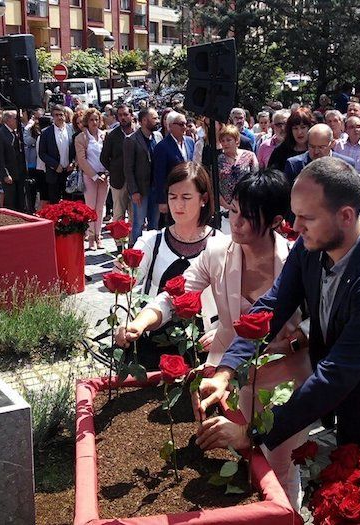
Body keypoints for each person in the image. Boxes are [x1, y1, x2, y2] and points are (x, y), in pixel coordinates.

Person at [193, 157, 360, 499]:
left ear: (345, 216)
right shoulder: (313, 244)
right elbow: (273, 307)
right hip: (343, 395)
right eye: (295, 214)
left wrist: (252, 433)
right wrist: (226, 370)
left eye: (307, 217)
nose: (294, 226)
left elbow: (336, 374)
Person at [121, 169, 312, 507]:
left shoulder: (296, 260)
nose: (235, 223)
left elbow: (320, 321)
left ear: (276, 220)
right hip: (226, 378)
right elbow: (174, 295)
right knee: (240, 462)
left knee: (279, 466)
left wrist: (295, 341)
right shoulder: (216, 253)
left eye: (247, 217)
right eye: (233, 212)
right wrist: (141, 321)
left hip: (285, 382)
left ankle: (287, 515)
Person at [115, 161, 218, 365]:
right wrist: (124, 323)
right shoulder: (152, 242)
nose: (178, 205)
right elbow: (125, 289)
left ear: (203, 199)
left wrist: (223, 333)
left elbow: (234, 303)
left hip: (202, 349)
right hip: (151, 345)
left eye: (186, 197)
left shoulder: (221, 245)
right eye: (173, 197)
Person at [124, 107, 164, 243]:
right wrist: (134, 191)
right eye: (154, 118)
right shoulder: (132, 140)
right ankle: (135, 254)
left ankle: (152, 252)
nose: (158, 121)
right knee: (139, 223)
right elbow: (128, 169)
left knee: (154, 223)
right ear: (144, 120)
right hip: (141, 191)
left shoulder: (158, 137)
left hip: (156, 189)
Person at [152, 111, 195, 226]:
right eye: (181, 124)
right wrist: (162, 201)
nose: (184, 127)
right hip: (172, 195)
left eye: (185, 123)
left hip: (188, 192)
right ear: (170, 126)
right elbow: (159, 176)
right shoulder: (162, 147)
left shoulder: (190, 142)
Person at [75, 108, 108, 250]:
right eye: (91, 120)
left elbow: (109, 156)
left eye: (96, 119)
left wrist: (106, 173)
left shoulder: (105, 136)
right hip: (90, 176)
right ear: (86, 122)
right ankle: (91, 238)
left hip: (105, 176)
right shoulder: (81, 138)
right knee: (90, 208)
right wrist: (94, 176)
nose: (94, 122)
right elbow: (81, 160)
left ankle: (99, 236)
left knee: (100, 208)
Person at [101, 104, 135, 222]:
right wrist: (113, 169)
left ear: (131, 115)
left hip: (136, 181)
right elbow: (104, 157)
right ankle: (119, 241)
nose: (123, 117)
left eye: (125, 114)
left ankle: (133, 240)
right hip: (118, 181)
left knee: (134, 216)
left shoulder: (138, 134)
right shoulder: (112, 135)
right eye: (120, 115)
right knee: (118, 215)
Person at [38, 105, 75, 205]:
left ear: (65, 115)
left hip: (68, 172)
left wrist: (73, 163)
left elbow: (76, 150)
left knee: (69, 202)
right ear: (52, 117)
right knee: (54, 202)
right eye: (56, 115)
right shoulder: (45, 133)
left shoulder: (71, 130)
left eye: (61, 115)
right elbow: (42, 153)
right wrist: (55, 165)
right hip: (54, 172)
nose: (59, 117)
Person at [217, 125, 259, 210]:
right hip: (225, 207)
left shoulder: (249, 156)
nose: (225, 143)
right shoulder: (218, 159)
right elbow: (213, 186)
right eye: (222, 141)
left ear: (237, 141)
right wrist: (226, 205)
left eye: (229, 140)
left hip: (247, 205)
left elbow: (257, 179)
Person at [0, 110, 26, 212]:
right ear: (8, 120)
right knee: (11, 202)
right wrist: (5, 174)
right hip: (9, 174)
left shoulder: (16, 132)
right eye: (16, 118)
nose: (18, 121)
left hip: (19, 172)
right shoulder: (0, 134)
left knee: (21, 201)